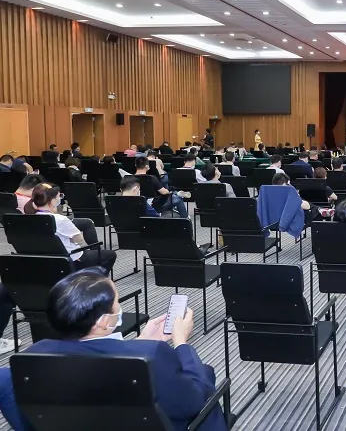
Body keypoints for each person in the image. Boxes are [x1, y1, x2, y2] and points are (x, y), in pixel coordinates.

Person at [0, 268, 227, 431]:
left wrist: (139, 341)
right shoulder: (153, 355)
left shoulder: (32, 356)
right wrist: (181, 342)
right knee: (205, 375)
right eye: (117, 301)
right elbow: (194, 400)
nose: (120, 306)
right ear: (103, 321)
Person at [23, 183, 117, 273]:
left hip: (47, 258)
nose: (60, 199)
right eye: (59, 196)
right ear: (52, 201)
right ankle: (93, 278)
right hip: (73, 258)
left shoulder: (29, 218)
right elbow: (79, 239)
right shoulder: (60, 219)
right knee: (111, 255)